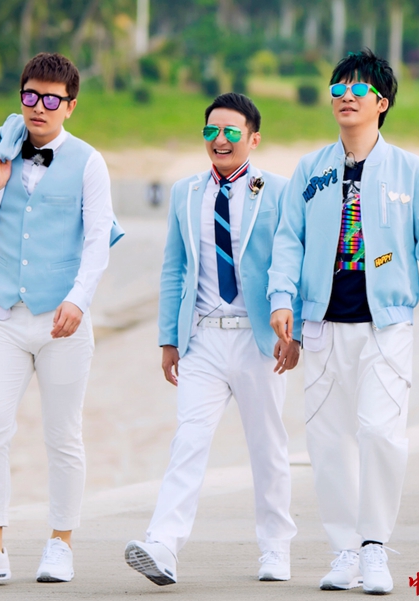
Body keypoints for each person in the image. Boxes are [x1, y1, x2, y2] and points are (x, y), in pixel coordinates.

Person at [267, 49, 419, 595]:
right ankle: (344, 552)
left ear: (382, 103)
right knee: (328, 442)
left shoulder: (410, 170)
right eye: (338, 88)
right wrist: (282, 300)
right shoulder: (311, 169)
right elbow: (288, 240)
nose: (345, 96)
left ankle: (374, 545)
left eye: (358, 89)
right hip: (322, 327)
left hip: (386, 326)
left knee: (379, 433)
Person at [0, 52, 122, 584]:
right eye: (30, 96)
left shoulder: (89, 162)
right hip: (5, 315)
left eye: (51, 99)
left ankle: (60, 544)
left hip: (62, 322)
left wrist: (78, 300)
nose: (39, 107)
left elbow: (98, 242)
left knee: (62, 434)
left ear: (70, 106)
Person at [124, 93, 301, 586]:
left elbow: (292, 263)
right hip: (202, 338)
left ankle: (276, 548)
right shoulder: (185, 192)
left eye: (230, 132)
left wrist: (295, 332)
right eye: (210, 131)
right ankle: (163, 544)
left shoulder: (279, 191)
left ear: (253, 138)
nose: (219, 140)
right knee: (189, 439)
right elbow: (174, 268)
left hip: (259, 340)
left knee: (268, 446)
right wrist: (168, 339)